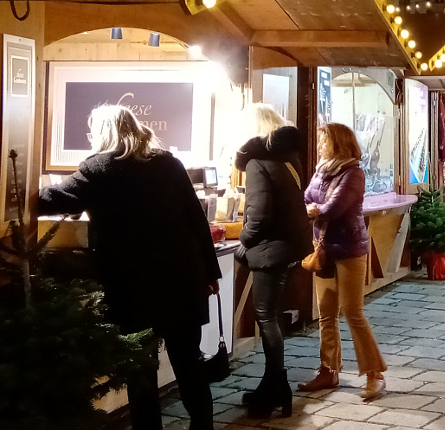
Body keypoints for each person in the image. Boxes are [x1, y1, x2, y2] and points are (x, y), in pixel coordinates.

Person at [38, 105, 221, 430]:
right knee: (189, 365)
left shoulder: (98, 169)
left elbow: (53, 199)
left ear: (103, 134)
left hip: (134, 289)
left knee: (141, 370)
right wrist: (211, 272)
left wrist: (15, 190)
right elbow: (197, 220)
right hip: (182, 283)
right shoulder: (169, 164)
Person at [298, 123, 387, 400]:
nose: (320, 145)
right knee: (326, 313)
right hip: (323, 249)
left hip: (349, 249)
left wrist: (315, 210)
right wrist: (313, 208)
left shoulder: (354, 172)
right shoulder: (321, 171)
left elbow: (333, 208)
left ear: (338, 143)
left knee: (352, 312)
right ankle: (328, 371)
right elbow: (306, 199)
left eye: (325, 141)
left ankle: (374, 374)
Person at [235, 103, 313, 418]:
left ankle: (276, 386)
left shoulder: (257, 162)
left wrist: (243, 241)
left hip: (270, 249)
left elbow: (258, 215)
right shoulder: (288, 158)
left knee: (265, 317)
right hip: (289, 247)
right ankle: (272, 384)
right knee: (272, 316)